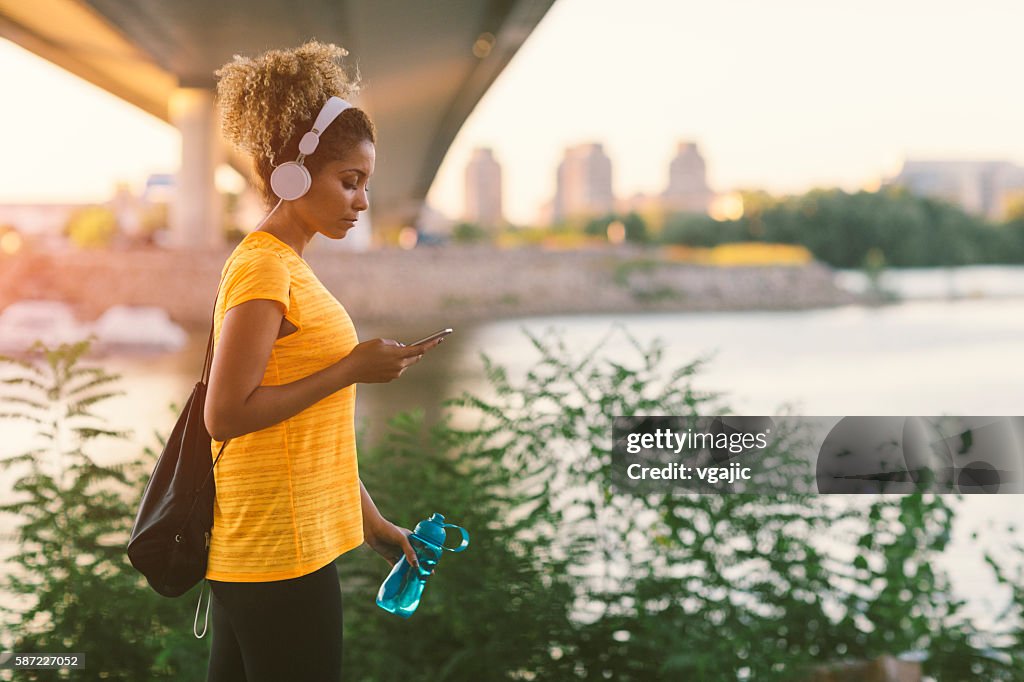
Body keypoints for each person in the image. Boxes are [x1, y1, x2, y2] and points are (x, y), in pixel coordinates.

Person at [202, 41, 443, 682]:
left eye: (366, 184)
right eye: (350, 181)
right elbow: (223, 415)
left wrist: (376, 526)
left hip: (276, 548)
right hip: (279, 554)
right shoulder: (262, 268)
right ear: (292, 175)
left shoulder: (289, 268)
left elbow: (314, 432)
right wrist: (350, 368)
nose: (362, 201)